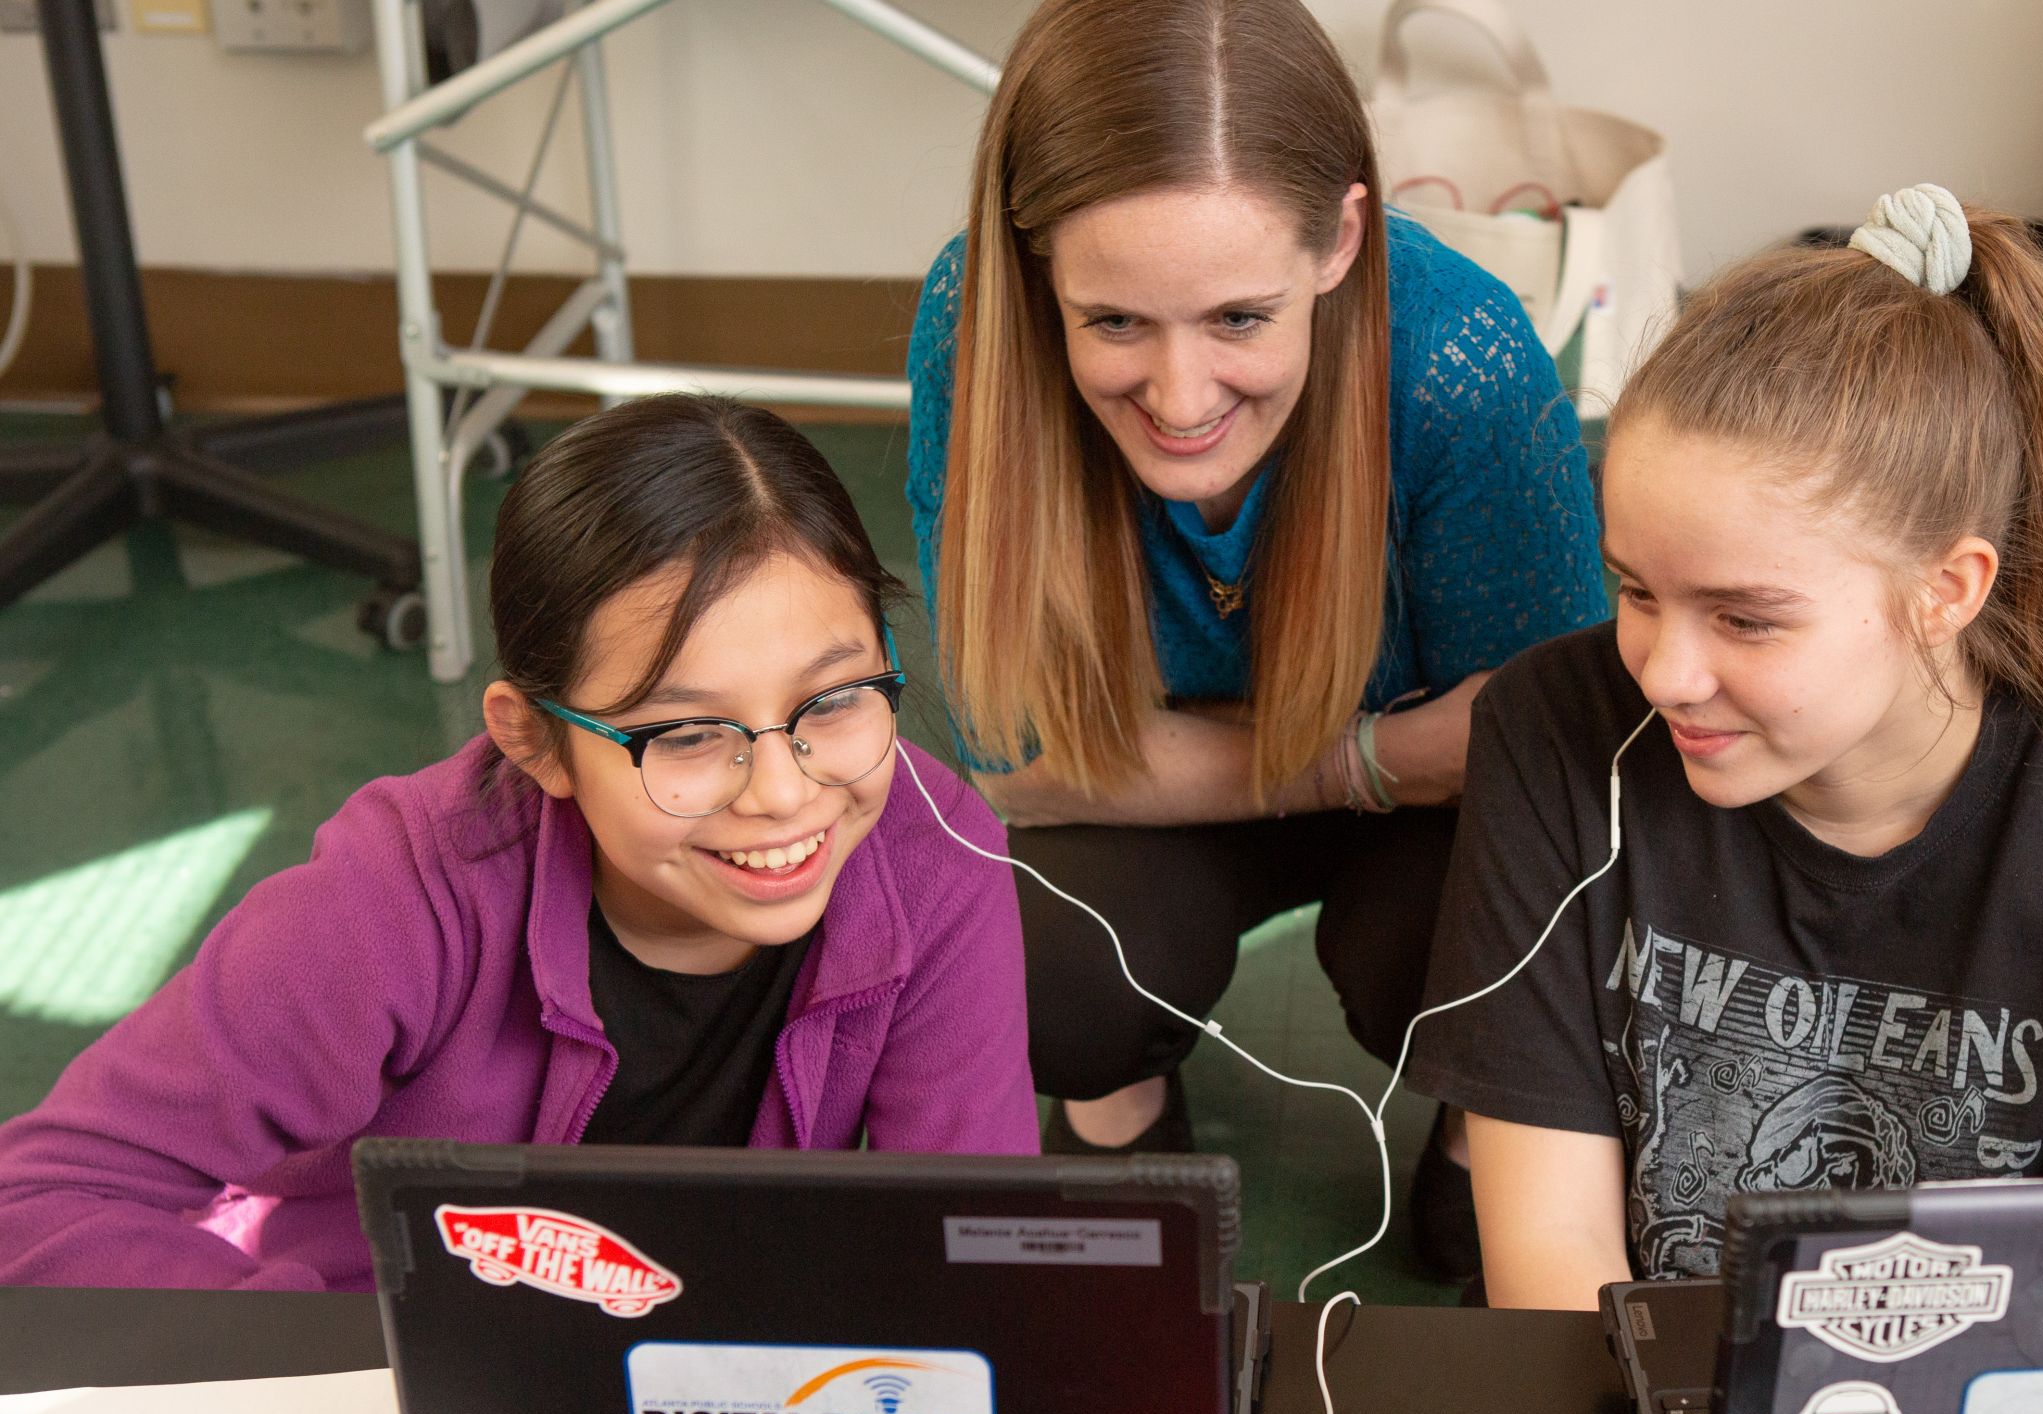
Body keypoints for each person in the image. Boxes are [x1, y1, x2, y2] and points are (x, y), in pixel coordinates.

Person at [1408, 186, 2043, 1309]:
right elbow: (1553, 1268)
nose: (1663, 673)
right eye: (1635, 590)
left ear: (1945, 591)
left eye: (1746, 618)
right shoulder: (1556, 729)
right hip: (1614, 1390)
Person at [0, 396, 1038, 1290]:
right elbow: (43, 1194)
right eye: (681, 733)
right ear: (534, 741)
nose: (781, 791)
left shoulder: (934, 859)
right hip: (388, 1375)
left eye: (834, 699)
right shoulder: (393, 897)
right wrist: (368, 1368)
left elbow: (970, 1257)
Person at [904, 0, 1608, 1276]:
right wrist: (1374, 756)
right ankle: (1112, 1099)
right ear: (1036, 263)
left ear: (1339, 240)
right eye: (1114, 321)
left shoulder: (1460, 355)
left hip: (1399, 815)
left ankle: (1466, 1128)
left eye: (1238, 318)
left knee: (1470, 963)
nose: (1179, 401)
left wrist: (1370, 766)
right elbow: (1016, 760)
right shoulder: (977, 325)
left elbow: (1540, 754)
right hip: (1312, 773)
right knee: (1043, 973)